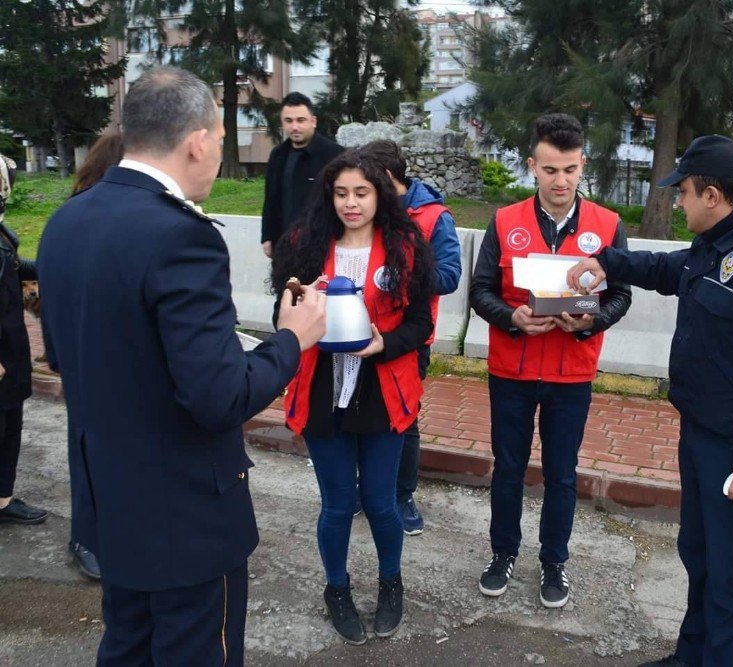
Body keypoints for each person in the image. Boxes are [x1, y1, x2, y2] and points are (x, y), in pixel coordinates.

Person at [36, 67, 326, 666]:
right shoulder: (180, 236)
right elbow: (219, 397)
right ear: (198, 140)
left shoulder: (68, 220)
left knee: (128, 646)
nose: (218, 153)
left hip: (111, 502)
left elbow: (67, 357)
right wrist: (292, 339)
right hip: (185, 517)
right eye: (220, 138)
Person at [568, 135, 733, 666]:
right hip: (701, 430)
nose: (677, 202)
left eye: (683, 192)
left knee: (729, 574)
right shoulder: (718, 242)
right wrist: (607, 262)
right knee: (699, 555)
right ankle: (693, 656)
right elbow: (671, 271)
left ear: (712, 195)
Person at [270, 149, 436, 645]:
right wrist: (301, 298)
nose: (350, 203)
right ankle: (336, 589)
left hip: (382, 389)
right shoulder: (305, 243)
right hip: (323, 388)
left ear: (379, 194)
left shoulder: (405, 246)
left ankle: (391, 584)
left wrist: (384, 343)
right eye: (340, 193)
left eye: (361, 192)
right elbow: (284, 310)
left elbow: (422, 325)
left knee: (382, 504)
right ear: (329, 196)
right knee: (337, 504)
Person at [469, 113, 632, 609]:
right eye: (549, 170)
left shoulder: (607, 225)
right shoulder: (504, 221)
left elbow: (621, 295)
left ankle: (554, 561)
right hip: (512, 370)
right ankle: (502, 553)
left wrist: (593, 322)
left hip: (571, 372)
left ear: (583, 166)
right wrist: (512, 317)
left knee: (562, 472)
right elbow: (478, 292)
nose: (560, 181)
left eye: (570, 170)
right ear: (531, 167)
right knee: (508, 467)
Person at [361, 139, 462, 536]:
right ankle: (362, 490)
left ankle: (402, 495)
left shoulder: (434, 217)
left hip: (409, 335)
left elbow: (450, 276)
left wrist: (401, 274)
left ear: (387, 178)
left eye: (368, 181)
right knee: (357, 411)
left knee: (403, 417)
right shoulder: (366, 209)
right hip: (359, 332)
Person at [63, 131, 125, 581]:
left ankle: (94, 535)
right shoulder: (91, 220)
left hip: (81, 359)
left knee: (89, 449)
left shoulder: (71, 215)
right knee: (91, 455)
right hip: (96, 358)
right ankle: (87, 538)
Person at [0, 154, 48, 528]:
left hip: (11, 346)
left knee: (10, 424)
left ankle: (3, 500)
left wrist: (55, 263)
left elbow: (17, 266)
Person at [260, 92, 344, 258]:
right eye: (289, 121)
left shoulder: (334, 155)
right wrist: (267, 236)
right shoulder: (278, 155)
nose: (295, 127)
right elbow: (270, 199)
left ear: (313, 121)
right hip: (284, 244)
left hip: (322, 246)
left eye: (301, 120)